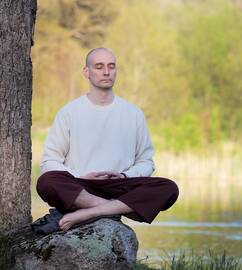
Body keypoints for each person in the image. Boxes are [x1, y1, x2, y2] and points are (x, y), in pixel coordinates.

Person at [35, 47, 179, 232]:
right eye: (99, 66)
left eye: (111, 66)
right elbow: (50, 161)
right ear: (86, 72)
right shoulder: (69, 112)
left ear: (116, 71)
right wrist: (79, 176)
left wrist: (125, 176)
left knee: (168, 188)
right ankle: (109, 210)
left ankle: (86, 213)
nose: (106, 71)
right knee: (47, 181)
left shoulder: (133, 113)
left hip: (119, 185)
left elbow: (146, 161)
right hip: (81, 184)